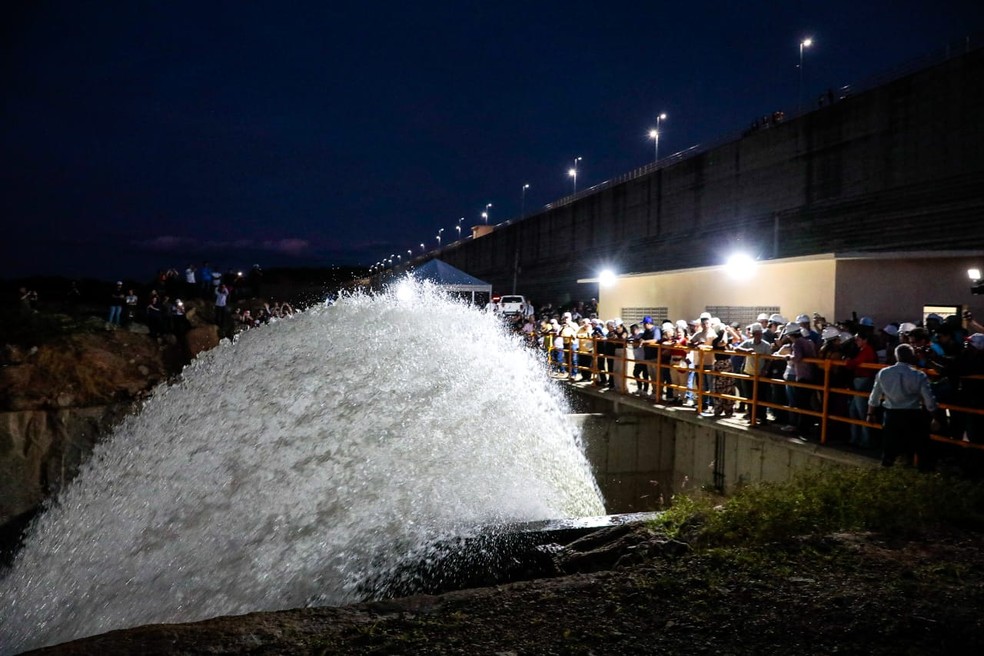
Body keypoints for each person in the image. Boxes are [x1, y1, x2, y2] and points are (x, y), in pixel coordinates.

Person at [867, 343, 938, 470]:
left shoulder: (883, 373)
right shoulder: (919, 375)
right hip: (913, 414)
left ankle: (886, 475)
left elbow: (875, 396)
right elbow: (929, 400)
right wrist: (935, 417)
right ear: (911, 356)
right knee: (920, 448)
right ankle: (921, 474)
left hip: (891, 414)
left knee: (889, 449)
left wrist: (870, 413)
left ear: (896, 356)